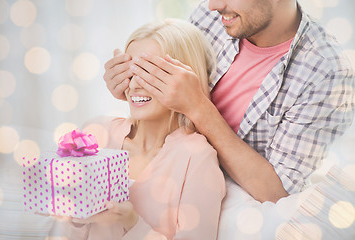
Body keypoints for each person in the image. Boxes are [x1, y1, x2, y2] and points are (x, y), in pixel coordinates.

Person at [103, 0, 355, 204]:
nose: (212, 5)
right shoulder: (213, 15)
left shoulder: (328, 72)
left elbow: (278, 193)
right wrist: (134, 85)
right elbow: (171, 107)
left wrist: (199, 107)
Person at [70, 18, 225, 240]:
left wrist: (133, 221)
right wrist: (74, 216)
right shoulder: (96, 133)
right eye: (130, 71)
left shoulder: (196, 158)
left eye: (149, 73)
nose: (134, 85)